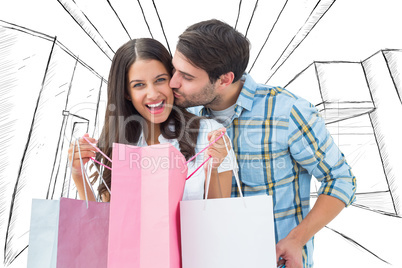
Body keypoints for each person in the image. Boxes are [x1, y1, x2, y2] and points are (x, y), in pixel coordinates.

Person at [169, 19, 356, 268]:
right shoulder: (184, 117)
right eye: (174, 70)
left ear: (225, 79)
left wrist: (297, 239)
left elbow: (341, 179)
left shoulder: (288, 111)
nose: (173, 83)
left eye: (187, 76)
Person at [68, 38, 235, 203]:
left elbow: (218, 216)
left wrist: (212, 169)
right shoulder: (118, 144)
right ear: (127, 93)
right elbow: (107, 222)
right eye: (139, 85)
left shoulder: (209, 134)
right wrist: (78, 174)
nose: (153, 94)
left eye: (160, 80)